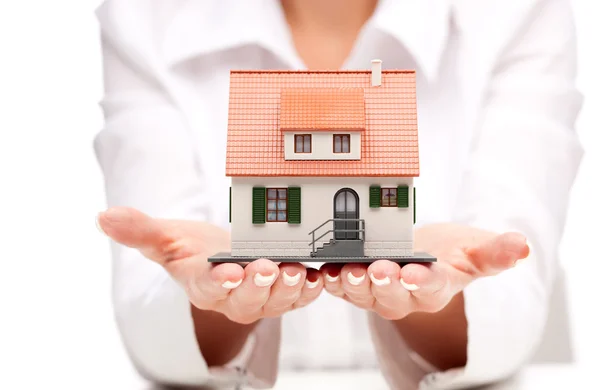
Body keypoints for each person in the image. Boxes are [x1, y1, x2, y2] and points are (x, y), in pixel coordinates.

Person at [93, 0, 583, 388]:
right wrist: (210, 295)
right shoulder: (144, 16)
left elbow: (510, 311)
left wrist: (432, 293)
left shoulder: (519, 10)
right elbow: (153, 331)